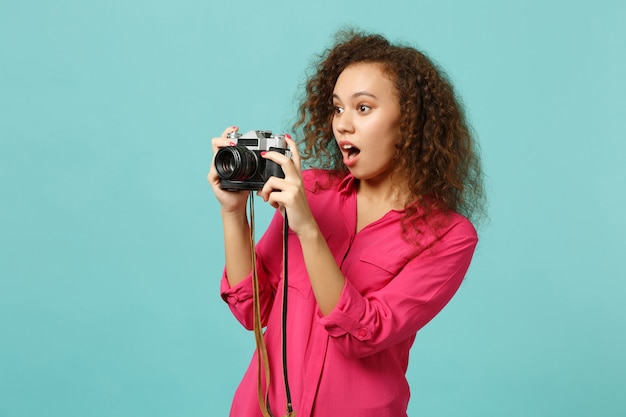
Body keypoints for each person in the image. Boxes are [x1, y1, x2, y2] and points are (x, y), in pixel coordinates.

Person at [207, 29, 486, 417]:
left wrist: (307, 228)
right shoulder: (311, 191)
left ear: (409, 122)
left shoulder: (448, 236)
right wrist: (233, 213)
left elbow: (365, 333)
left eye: (363, 108)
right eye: (338, 108)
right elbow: (252, 307)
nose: (343, 125)